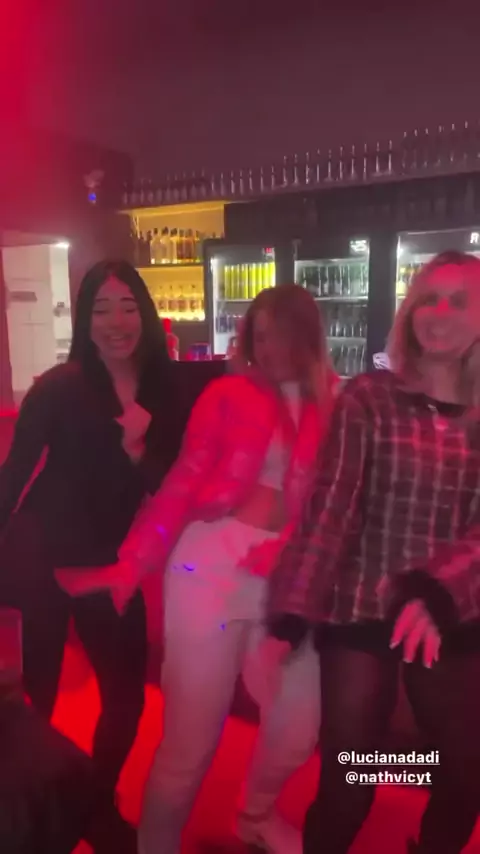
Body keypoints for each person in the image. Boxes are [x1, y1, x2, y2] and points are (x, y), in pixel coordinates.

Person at [61, 284, 338, 854]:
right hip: (211, 564)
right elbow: (184, 482)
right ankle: (155, 845)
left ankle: (254, 815)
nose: (270, 349)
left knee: (297, 727)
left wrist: (294, 545)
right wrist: (132, 561)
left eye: (282, 335)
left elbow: (339, 502)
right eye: (260, 336)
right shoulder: (228, 394)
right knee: (191, 738)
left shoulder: (337, 403)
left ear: (309, 337)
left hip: (288, 574)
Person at [265, 251, 480, 854]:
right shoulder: (369, 397)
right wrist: (291, 614)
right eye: (428, 299)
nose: (439, 313)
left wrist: (436, 594)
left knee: (465, 773)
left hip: (456, 608)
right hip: (362, 603)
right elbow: (331, 509)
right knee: (351, 777)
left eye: (459, 301)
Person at [0, 261, 183, 817]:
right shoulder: (59, 386)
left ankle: (94, 799)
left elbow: (172, 485)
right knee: (37, 698)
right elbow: (13, 476)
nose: (116, 322)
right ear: (85, 319)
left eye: (128, 306)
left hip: (106, 560)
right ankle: (28, 811)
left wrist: (137, 449)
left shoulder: (166, 389)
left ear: (145, 313)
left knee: (126, 702)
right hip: (41, 552)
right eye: (101, 309)